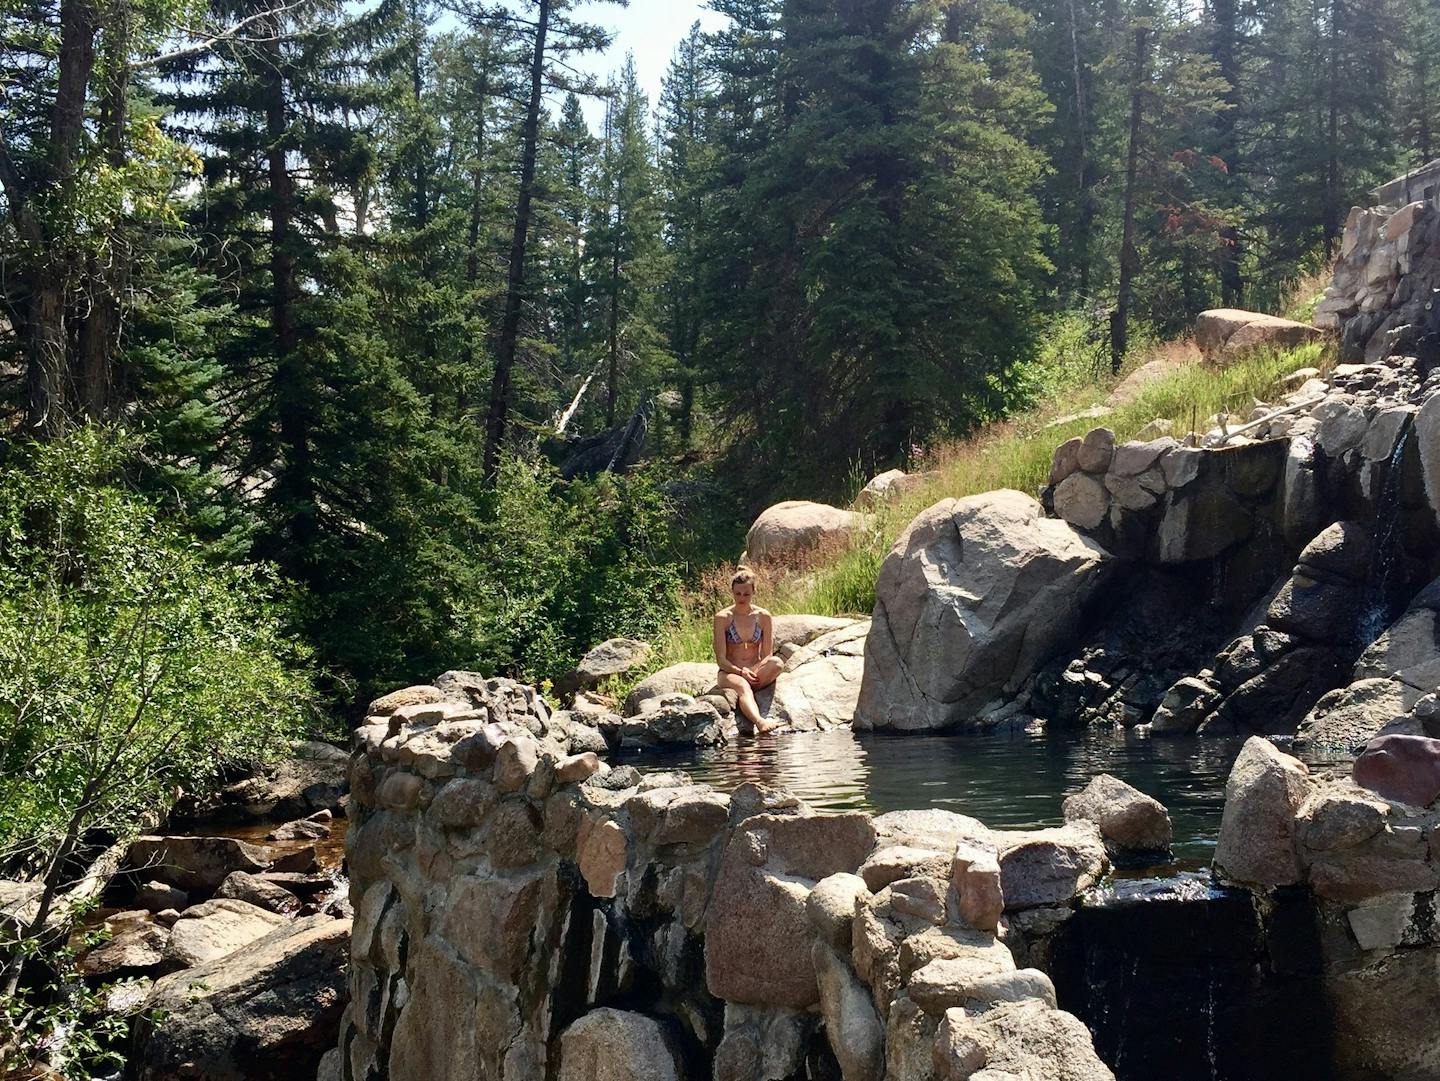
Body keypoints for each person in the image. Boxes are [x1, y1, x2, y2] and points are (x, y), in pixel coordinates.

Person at [714, 567, 783, 735]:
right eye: (738, 594)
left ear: (753, 592)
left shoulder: (763, 616)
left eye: (746, 594)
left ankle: (749, 692)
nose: (742, 598)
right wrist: (740, 672)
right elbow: (721, 659)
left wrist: (755, 670)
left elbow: (767, 655)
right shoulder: (723, 618)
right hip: (730, 672)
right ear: (732, 592)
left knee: (777, 663)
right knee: (743, 685)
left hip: (754, 670)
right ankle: (760, 722)